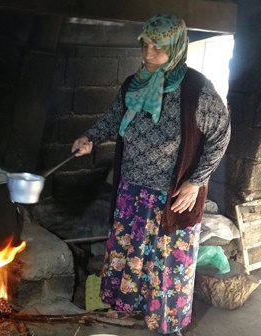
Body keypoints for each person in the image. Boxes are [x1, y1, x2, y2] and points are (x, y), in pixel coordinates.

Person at [71, 13, 230, 336]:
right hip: (132, 189)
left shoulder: (196, 90)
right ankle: (127, 306)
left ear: (176, 47)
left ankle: (166, 321)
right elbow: (114, 118)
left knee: (167, 261)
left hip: (172, 195)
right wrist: (90, 137)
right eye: (145, 45)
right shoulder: (134, 82)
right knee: (129, 253)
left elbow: (221, 136)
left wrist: (195, 182)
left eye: (158, 48)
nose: (148, 54)